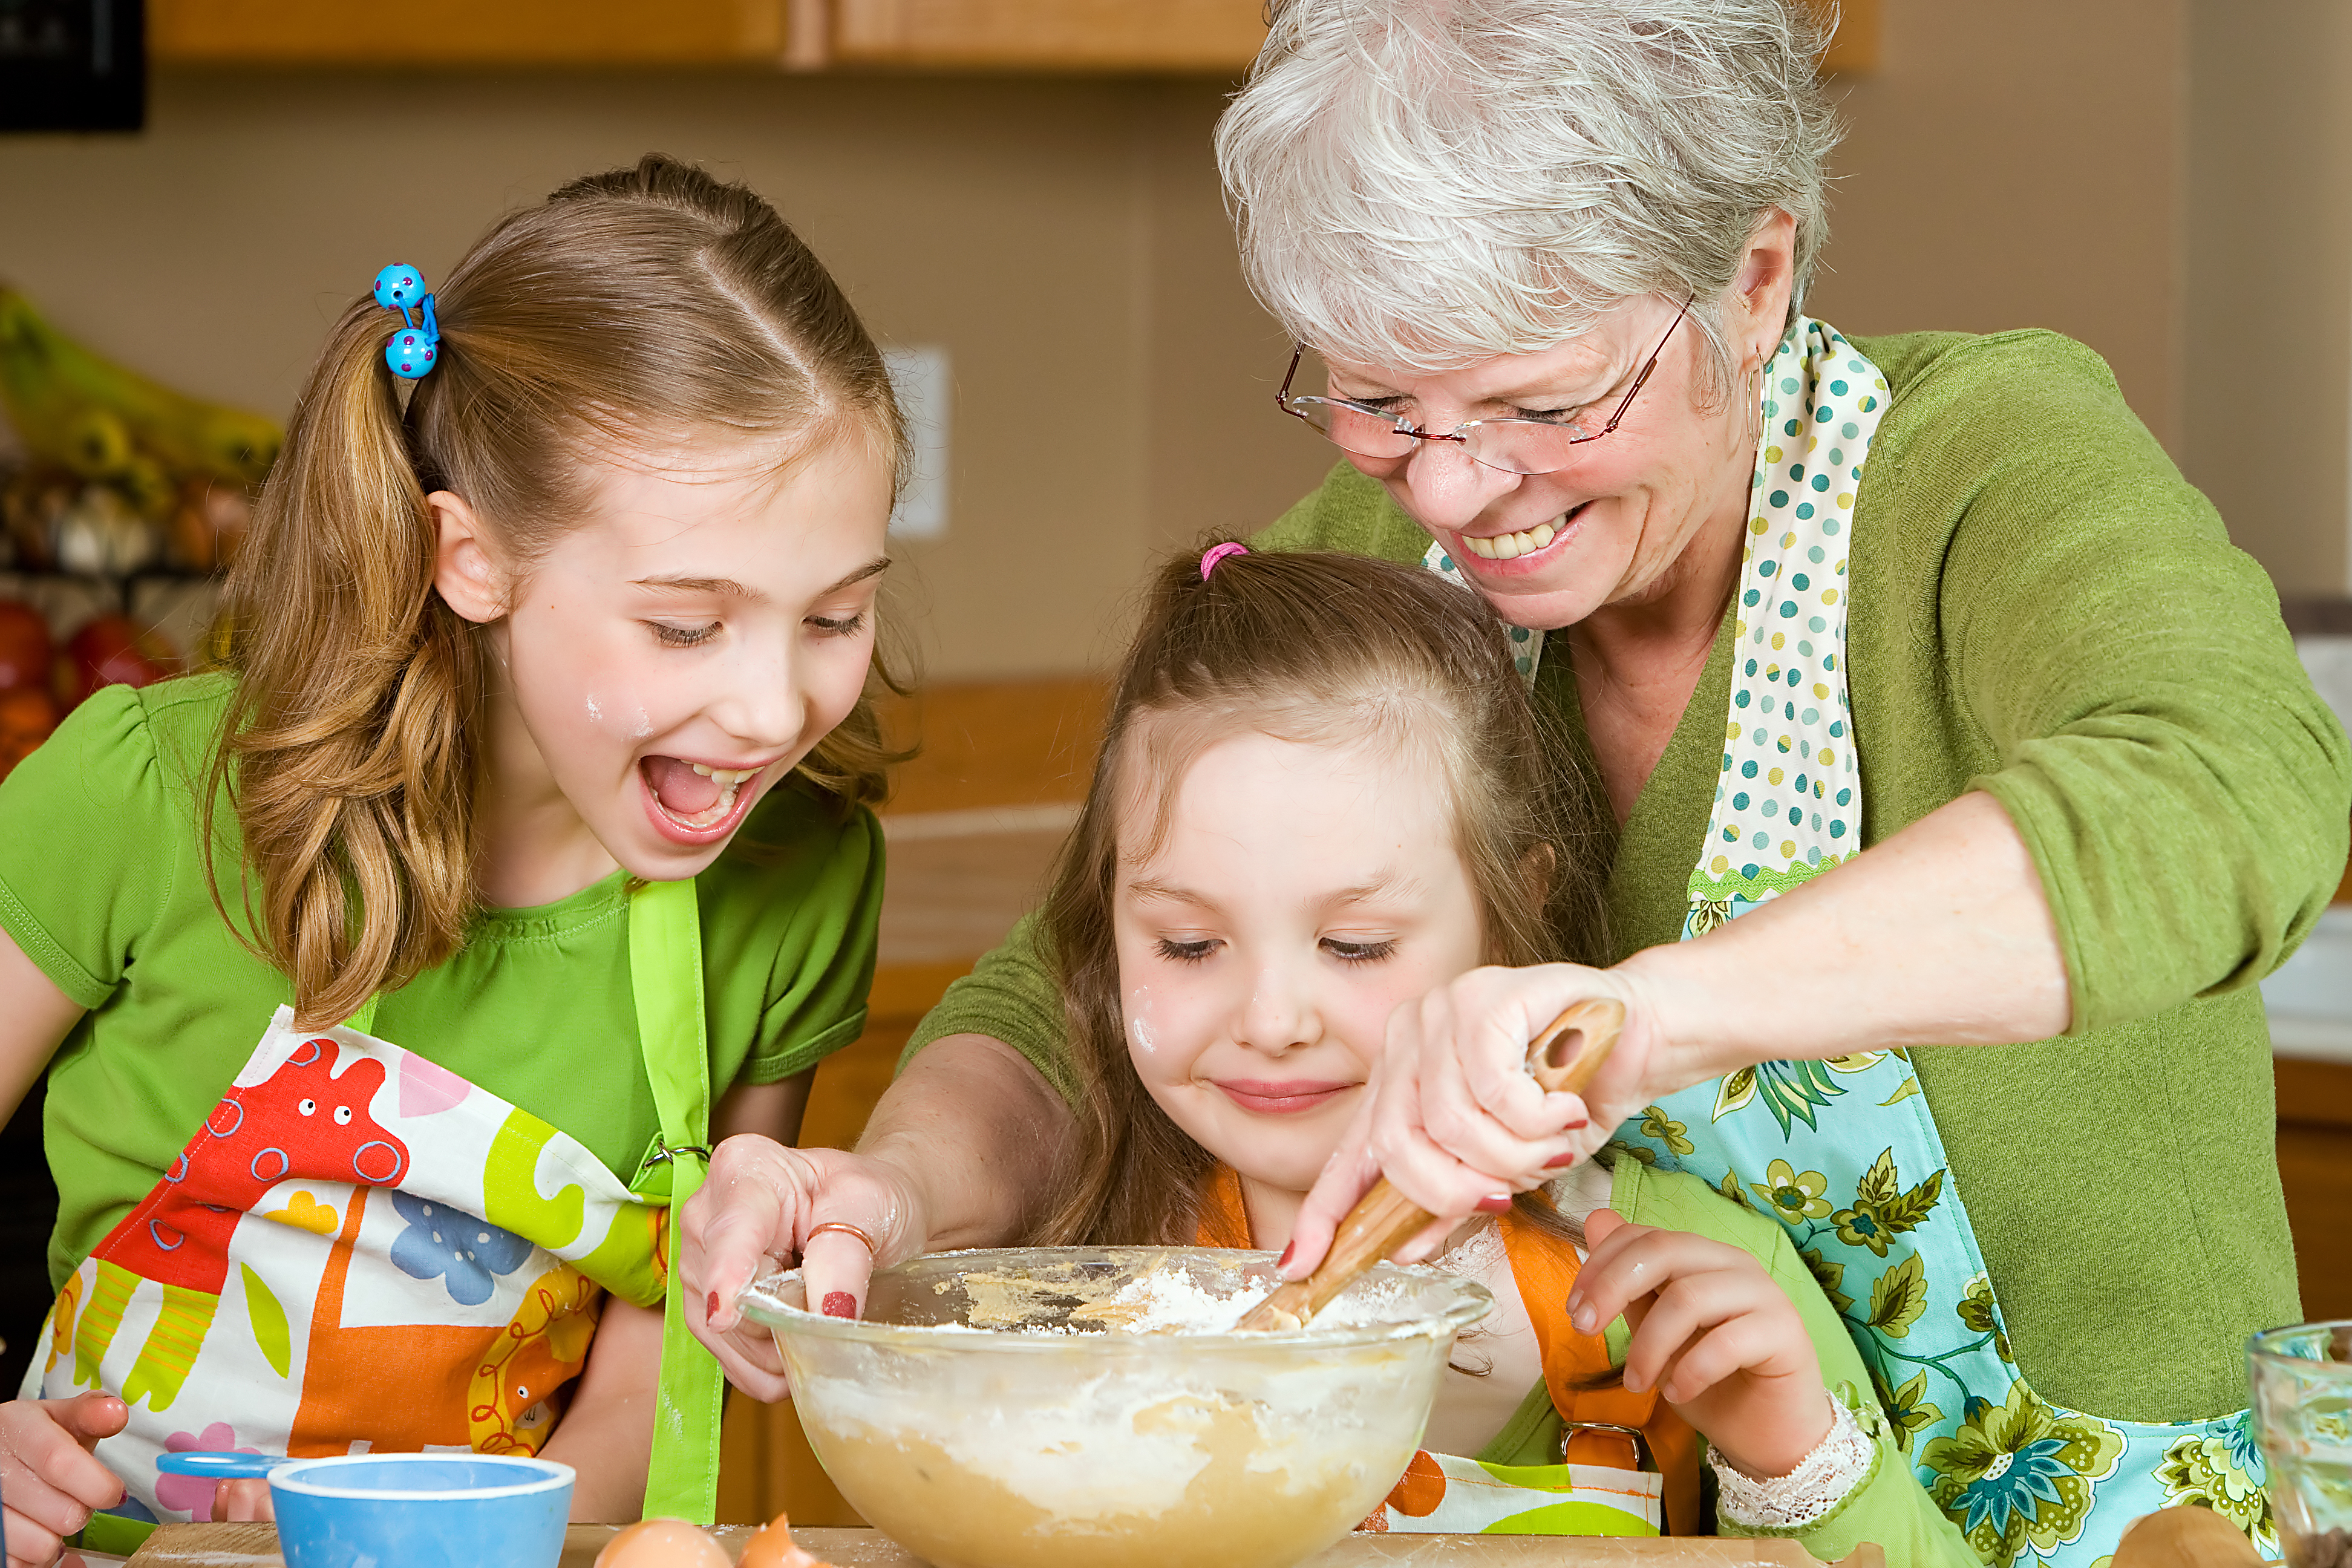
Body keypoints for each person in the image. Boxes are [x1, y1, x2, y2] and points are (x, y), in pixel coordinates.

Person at [684, 5, 2351, 1566]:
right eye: (1380, 399)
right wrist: (892, 1193)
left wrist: (1649, 1016)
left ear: (1754, 279)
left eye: (1547, 401)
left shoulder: (1983, 476)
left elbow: (2232, 797)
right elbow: (1071, 997)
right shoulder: (1382, 565)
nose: (1464, 490)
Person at [0, 154, 901, 1564]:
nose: (776, 708)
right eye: (686, 625)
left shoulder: (797, 883)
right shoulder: (149, 795)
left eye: (835, 617)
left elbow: (639, 1382)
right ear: (469, 559)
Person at [1053, 543, 1982, 1558]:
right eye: (1188, 945)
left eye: (1355, 945)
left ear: (1508, 920)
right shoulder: (1075, 1291)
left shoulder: (1686, 1281)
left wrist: (1792, 1457)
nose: (1273, 1022)